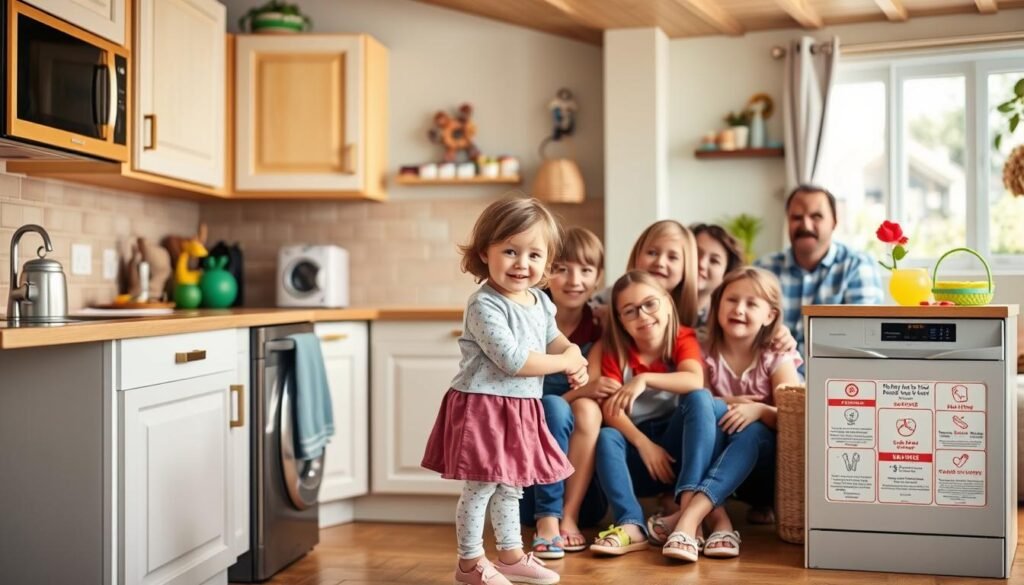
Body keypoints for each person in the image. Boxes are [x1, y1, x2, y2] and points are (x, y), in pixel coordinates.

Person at [421, 197, 588, 585]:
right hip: (483, 407)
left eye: (534, 255)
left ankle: (511, 555)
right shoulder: (484, 304)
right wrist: (564, 363)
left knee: (512, 484)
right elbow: (513, 360)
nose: (521, 264)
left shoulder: (540, 301)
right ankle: (469, 564)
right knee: (480, 487)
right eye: (510, 251)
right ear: (486, 251)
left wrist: (574, 354)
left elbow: (556, 340)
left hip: (520, 407)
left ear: (547, 262)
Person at [648, 267, 801, 562]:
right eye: (731, 300)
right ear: (717, 304)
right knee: (700, 400)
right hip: (713, 458)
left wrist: (758, 410)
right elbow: (698, 408)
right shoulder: (702, 350)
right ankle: (712, 523)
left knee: (755, 431)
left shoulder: (776, 356)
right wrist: (731, 401)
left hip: (759, 470)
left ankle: (686, 517)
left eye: (751, 304)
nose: (739, 310)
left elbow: (792, 417)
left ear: (770, 315)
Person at [586, 271, 709, 556]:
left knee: (701, 399)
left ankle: (689, 509)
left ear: (667, 303)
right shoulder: (615, 349)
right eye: (630, 311)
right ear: (620, 322)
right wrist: (643, 444)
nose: (642, 316)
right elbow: (610, 408)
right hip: (637, 456)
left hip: (675, 454)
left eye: (650, 304)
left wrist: (644, 379)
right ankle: (631, 524)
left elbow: (693, 380)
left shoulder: (682, 338)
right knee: (607, 436)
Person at [521, 227, 609, 559]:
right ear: (545, 272)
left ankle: (562, 516)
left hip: (582, 489)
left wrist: (567, 398)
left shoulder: (599, 326)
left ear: (598, 278)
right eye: (562, 269)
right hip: (527, 481)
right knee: (556, 408)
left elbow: (594, 388)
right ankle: (548, 519)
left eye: (585, 270)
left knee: (576, 408)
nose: (574, 280)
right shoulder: (529, 317)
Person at [755, 185, 883, 358]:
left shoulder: (857, 266)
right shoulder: (764, 269)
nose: (805, 225)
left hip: (836, 376)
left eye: (816, 216)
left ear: (834, 222)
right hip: (773, 378)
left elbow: (866, 339)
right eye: (796, 217)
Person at [594, 220, 699, 328]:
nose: (660, 263)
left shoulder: (698, 320)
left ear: (686, 268)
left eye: (672, 257)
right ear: (636, 256)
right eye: (652, 253)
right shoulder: (607, 300)